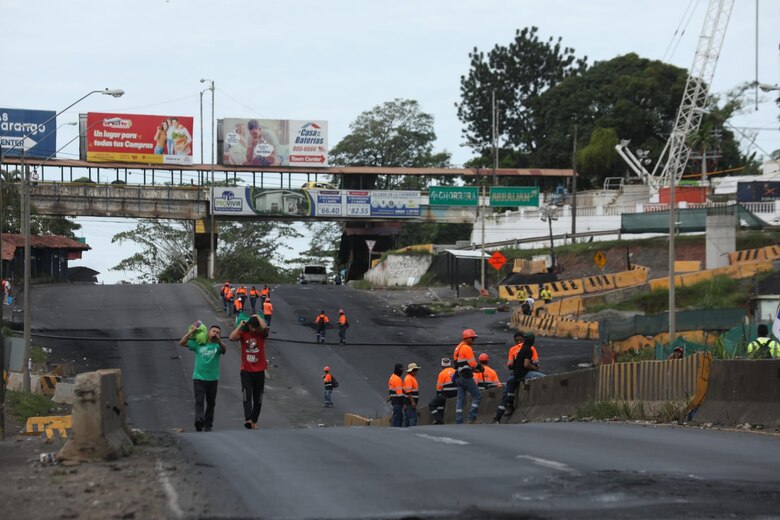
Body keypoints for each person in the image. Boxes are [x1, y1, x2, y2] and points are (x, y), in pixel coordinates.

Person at [178, 322, 226, 432]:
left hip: (213, 379)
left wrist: (218, 340)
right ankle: (199, 420)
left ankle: (208, 424)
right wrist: (192, 331)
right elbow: (182, 342)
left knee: (211, 402)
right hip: (199, 378)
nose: (215, 333)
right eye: (213, 331)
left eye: (218, 332)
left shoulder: (218, 345)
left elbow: (224, 350)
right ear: (208, 332)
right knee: (199, 401)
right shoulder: (199, 344)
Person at [229, 315, 270, 429]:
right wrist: (240, 326)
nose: (253, 330)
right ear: (249, 325)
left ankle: (254, 420)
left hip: (260, 371)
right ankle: (248, 419)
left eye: (255, 327)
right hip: (246, 371)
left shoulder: (261, 334)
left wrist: (256, 315)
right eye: (251, 327)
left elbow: (265, 327)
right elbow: (231, 338)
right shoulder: (244, 333)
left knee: (258, 398)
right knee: (247, 395)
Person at [453, 329, 484, 424]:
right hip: (465, 377)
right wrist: (480, 368)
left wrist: (474, 369)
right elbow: (473, 364)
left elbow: (461, 363)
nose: (474, 341)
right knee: (477, 396)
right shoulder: (467, 348)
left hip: (458, 377)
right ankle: (471, 417)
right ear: (467, 338)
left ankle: (458, 420)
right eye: (473, 338)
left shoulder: (458, 348)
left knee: (460, 399)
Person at [428, 358, 457, 425]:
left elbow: (439, 388)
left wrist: (438, 394)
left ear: (442, 366)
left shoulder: (442, 373)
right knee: (440, 401)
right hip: (456, 394)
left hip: (447, 395)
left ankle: (438, 419)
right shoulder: (455, 371)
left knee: (432, 404)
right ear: (450, 365)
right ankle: (440, 417)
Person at [403, 362, 421, 427]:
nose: (416, 371)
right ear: (411, 371)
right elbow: (408, 392)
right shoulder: (409, 378)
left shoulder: (411, 378)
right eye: (415, 370)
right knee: (412, 418)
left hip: (408, 403)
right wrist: (413, 402)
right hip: (410, 403)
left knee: (408, 419)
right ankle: (412, 432)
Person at [387, 363, 405, 427]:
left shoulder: (392, 377)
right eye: (401, 369)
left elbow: (391, 389)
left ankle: (394, 428)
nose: (402, 371)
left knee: (396, 416)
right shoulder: (397, 379)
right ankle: (396, 430)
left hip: (394, 400)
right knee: (398, 417)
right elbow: (399, 394)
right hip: (398, 401)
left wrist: (391, 396)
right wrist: (404, 403)